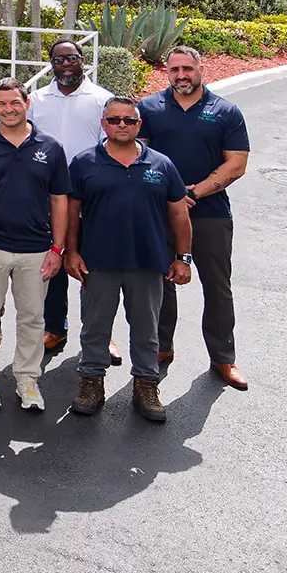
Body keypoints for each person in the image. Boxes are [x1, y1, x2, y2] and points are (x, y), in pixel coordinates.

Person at [66, 97, 193, 421]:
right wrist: (71, 251)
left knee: (146, 329)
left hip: (148, 263)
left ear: (139, 125)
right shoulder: (83, 163)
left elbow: (179, 213)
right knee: (95, 328)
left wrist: (183, 258)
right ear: (103, 124)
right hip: (99, 262)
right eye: (114, 119)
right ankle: (91, 382)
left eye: (128, 120)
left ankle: (146, 386)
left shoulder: (162, 164)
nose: (121, 125)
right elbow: (71, 211)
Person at [137, 45, 251, 390]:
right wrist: (168, 196)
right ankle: (160, 349)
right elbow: (137, 154)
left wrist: (193, 193)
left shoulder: (225, 111)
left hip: (211, 214)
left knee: (217, 287)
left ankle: (223, 358)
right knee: (159, 284)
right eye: (175, 70)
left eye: (188, 68)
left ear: (201, 69)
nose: (182, 75)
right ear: (166, 71)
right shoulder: (149, 108)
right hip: (159, 215)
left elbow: (237, 162)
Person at [0, 78, 70, 411]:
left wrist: (57, 248)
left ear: (27, 104)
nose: (8, 109)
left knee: (33, 318)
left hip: (36, 249)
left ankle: (27, 380)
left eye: (14, 103)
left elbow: (60, 200)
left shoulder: (50, 146)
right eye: (1, 104)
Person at [28, 38, 114, 358]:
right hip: (47, 198)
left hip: (90, 199)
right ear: (51, 63)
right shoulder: (36, 100)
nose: (66, 64)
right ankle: (54, 328)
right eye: (59, 59)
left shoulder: (101, 99)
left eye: (72, 58)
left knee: (92, 268)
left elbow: (109, 149)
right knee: (53, 263)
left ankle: (99, 332)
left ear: (82, 61)